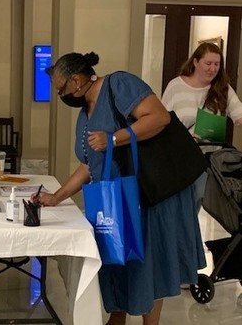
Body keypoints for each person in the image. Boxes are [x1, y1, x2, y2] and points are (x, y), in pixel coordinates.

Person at [32, 52, 206, 325]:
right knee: (117, 263)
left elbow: (159, 117)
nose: (60, 95)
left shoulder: (119, 85)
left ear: (76, 81)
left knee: (148, 264)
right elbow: (90, 164)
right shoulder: (85, 112)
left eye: (60, 89)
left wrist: (114, 137)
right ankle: (117, 317)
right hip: (112, 201)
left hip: (145, 194)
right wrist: (56, 197)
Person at [161, 42, 242, 210]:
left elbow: (239, 115)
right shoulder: (176, 86)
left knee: (195, 205)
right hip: (180, 158)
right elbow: (163, 122)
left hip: (208, 161)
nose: (213, 69)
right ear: (196, 62)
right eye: (208, 63)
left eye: (217, 64)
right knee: (179, 207)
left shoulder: (223, 89)